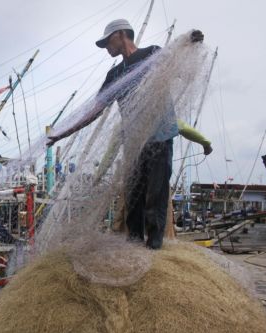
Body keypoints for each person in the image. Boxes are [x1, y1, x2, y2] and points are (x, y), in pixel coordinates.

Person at [47, 19, 204, 249]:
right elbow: (95, 110)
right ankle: (133, 247)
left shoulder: (152, 54)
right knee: (133, 198)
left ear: (121, 35)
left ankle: (154, 249)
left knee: (156, 196)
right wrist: (63, 133)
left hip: (159, 137)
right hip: (134, 142)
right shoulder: (115, 75)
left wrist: (190, 42)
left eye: (107, 41)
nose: (106, 47)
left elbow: (176, 61)